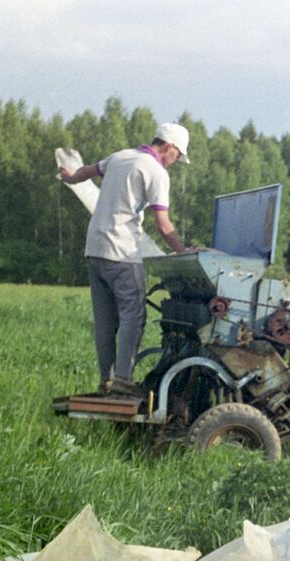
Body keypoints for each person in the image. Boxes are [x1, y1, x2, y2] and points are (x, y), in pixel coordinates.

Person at [58, 122, 193, 396]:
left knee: (105, 321)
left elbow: (85, 172)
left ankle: (106, 380)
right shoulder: (155, 171)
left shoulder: (119, 156)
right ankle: (122, 380)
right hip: (121, 252)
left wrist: (69, 178)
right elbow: (163, 224)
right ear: (169, 147)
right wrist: (184, 252)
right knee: (134, 315)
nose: (174, 163)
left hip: (94, 249)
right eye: (177, 157)